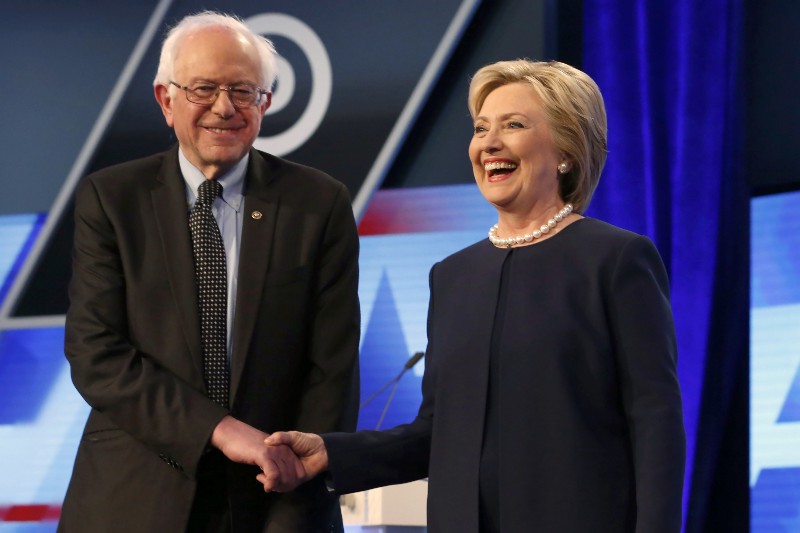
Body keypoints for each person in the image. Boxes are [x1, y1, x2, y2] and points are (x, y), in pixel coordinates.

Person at [262, 59, 686, 532]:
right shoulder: (453, 277)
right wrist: (333, 452)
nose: (489, 143)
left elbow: (655, 422)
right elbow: (435, 434)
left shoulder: (616, 259)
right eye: (481, 128)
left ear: (566, 150)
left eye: (514, 125)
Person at [59, 11, 360, 533]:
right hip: (131, 499)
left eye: (243, 91)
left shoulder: (318, 204)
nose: (224, 108)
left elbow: (330, 371)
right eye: (204, 89)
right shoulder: (111, 199)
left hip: (273, 498)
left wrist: (296, 491)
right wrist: (218, 429)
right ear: (165, 99)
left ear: (265, 103)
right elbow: (96, 353)